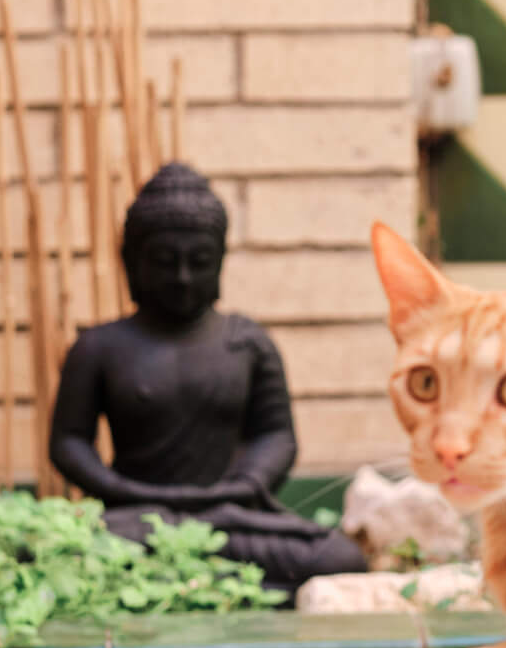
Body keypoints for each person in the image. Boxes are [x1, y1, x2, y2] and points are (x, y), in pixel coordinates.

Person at [49, 163, 367, 601]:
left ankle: (172, 581)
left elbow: (276, 435)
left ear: (219, 262)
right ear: (132, 264)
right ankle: (210, 580)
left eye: (198, 262)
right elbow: (68, 441)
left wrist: (248, 483)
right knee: (59, 554)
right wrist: (120, 490)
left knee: (337, 558)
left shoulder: (247, 342)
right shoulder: (99, 347)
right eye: (164, 262)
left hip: (227, 514)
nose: (182, 278)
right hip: (134, 516)